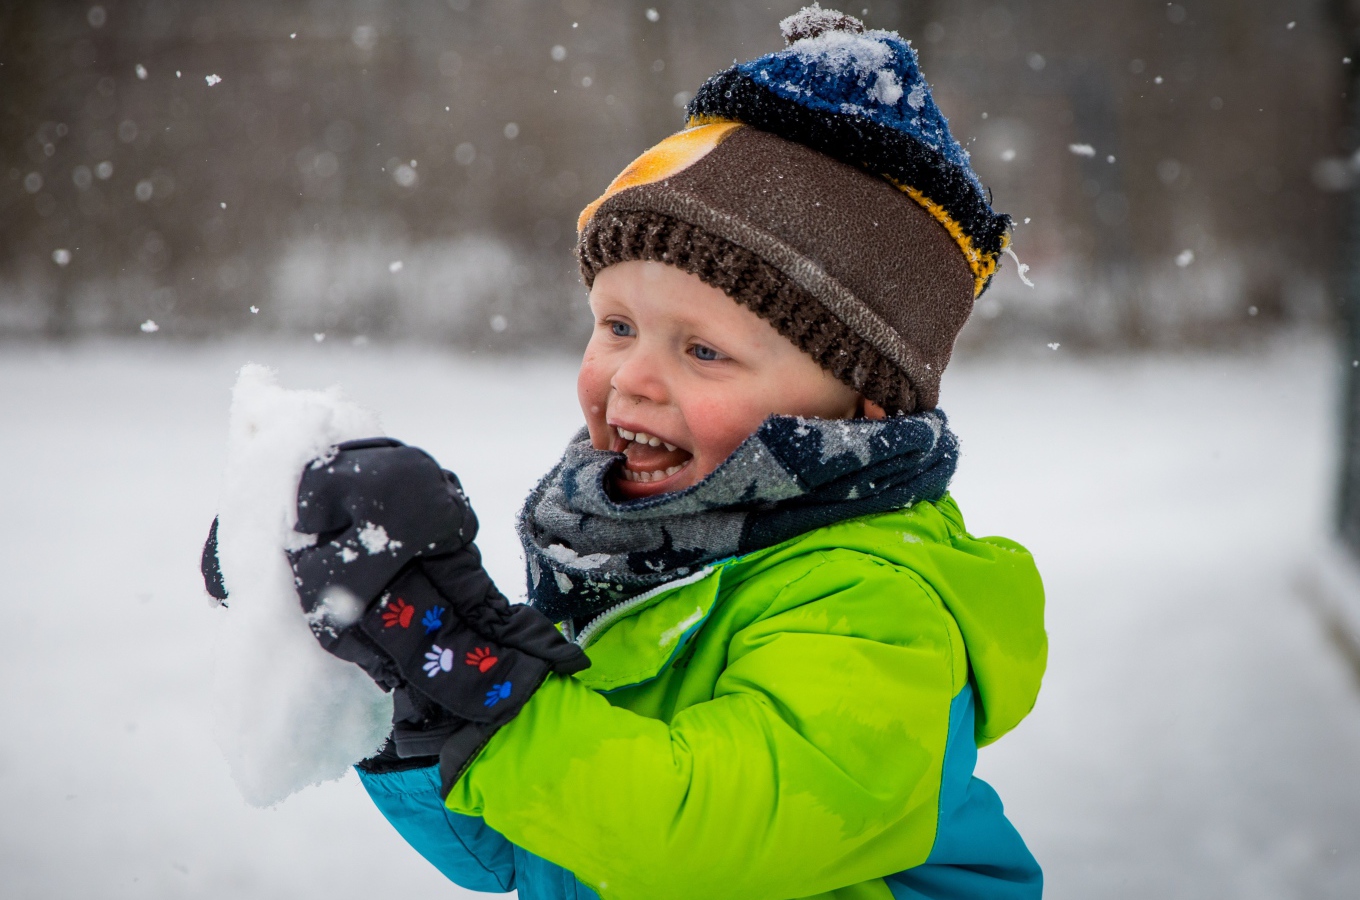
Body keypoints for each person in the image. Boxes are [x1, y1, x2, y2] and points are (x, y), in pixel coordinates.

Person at [208, 7, 1048, 898]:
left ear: (860, 405)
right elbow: (533, 852)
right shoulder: (637, 554)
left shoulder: (875, 603)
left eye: (704, 350)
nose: (631, 380)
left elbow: (694, 837)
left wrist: (495, 689)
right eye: (617, 326)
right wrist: (418, 688)